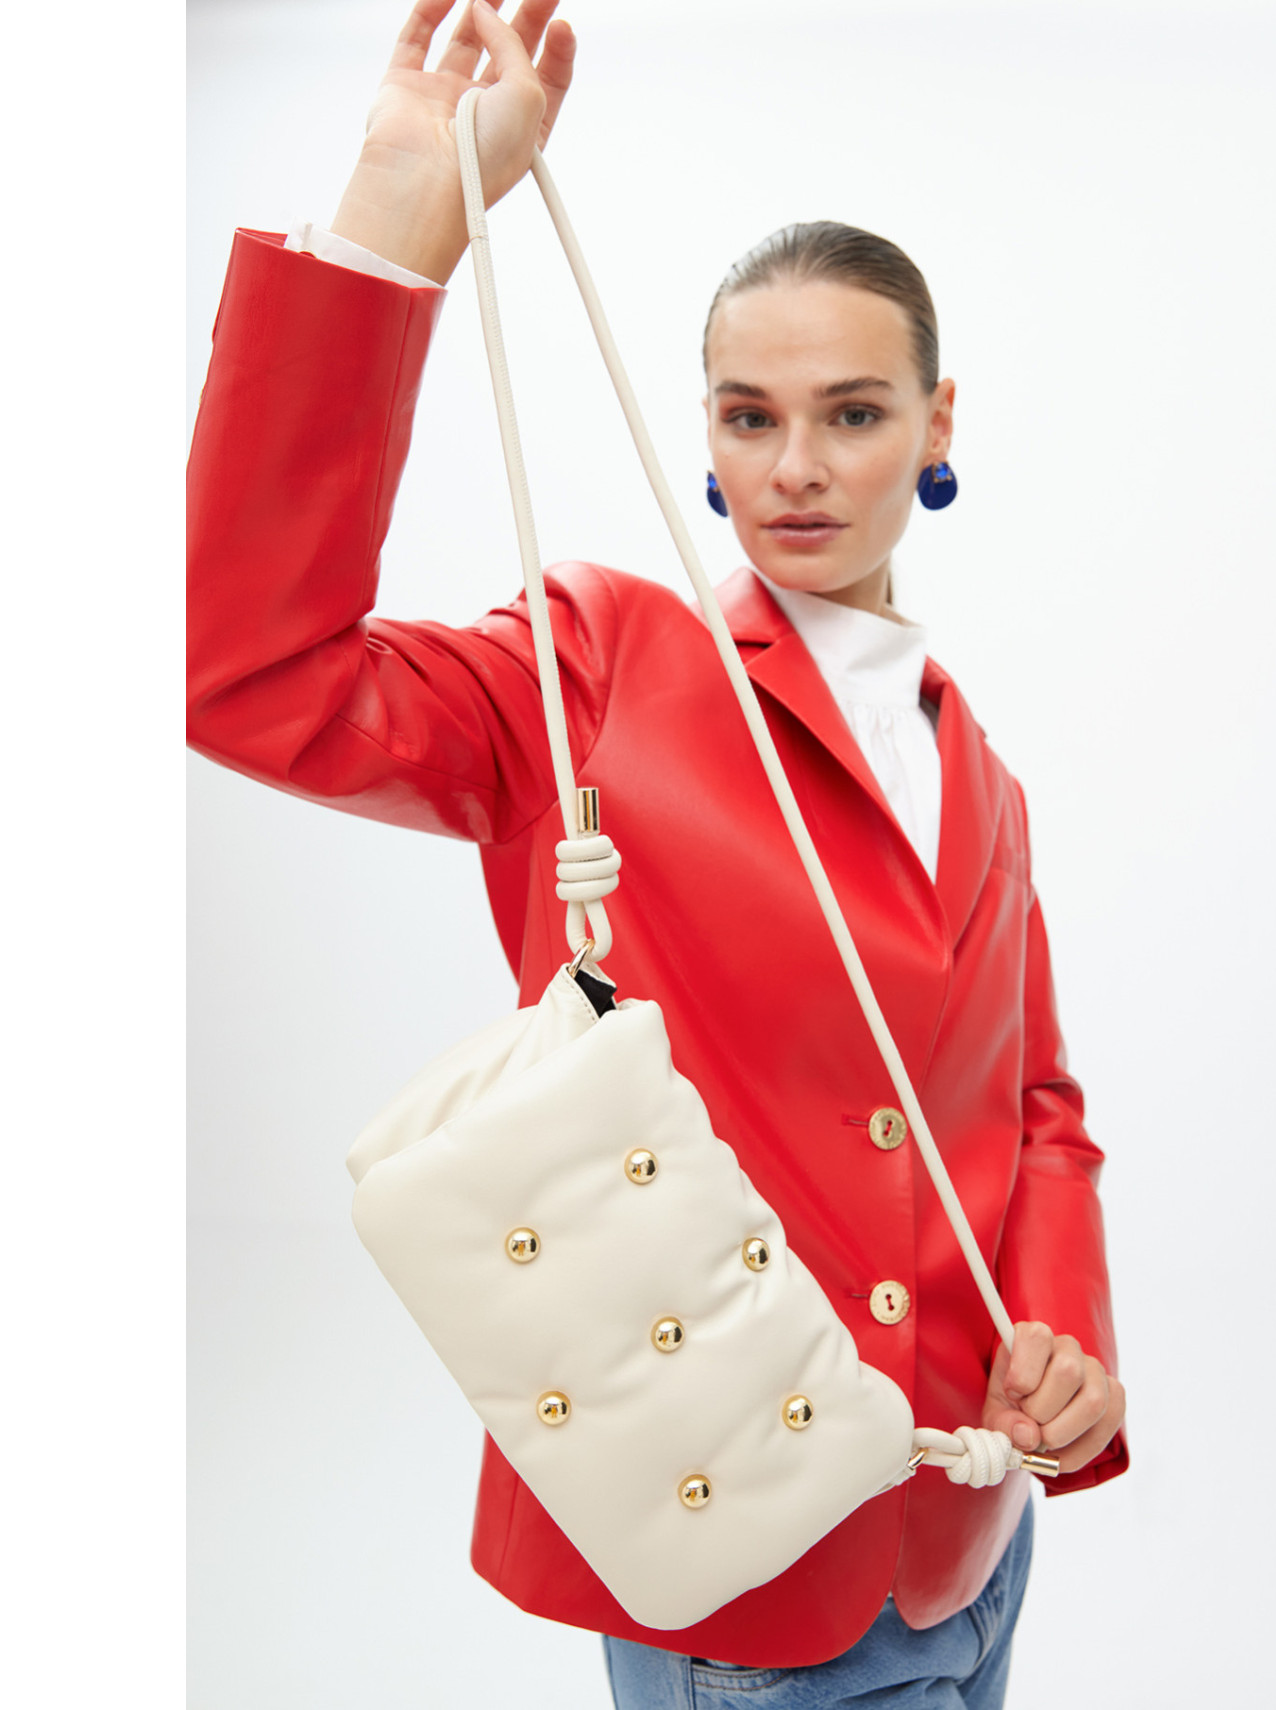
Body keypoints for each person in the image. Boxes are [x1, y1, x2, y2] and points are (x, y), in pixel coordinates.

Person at [187, 0, 1129, 1701]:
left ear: (940, 424)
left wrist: (1061, 1333)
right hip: (749, 1560)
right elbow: (251, 675)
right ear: (701, 431)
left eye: (853, 413)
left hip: (973, 1531)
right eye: (748, 416)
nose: (796, 468)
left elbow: (1036, 1106)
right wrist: (398, 217)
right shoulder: (599, 664)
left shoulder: (976, 768)